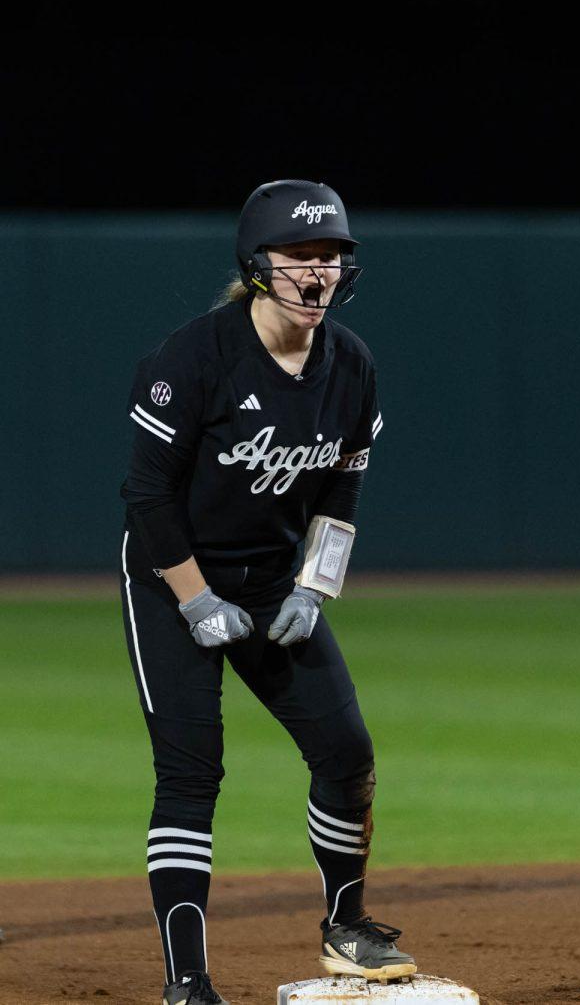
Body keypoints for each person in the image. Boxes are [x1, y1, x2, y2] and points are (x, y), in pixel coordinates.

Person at [119, 180, 414, 1005]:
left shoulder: (350, 364)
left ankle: (347, 926)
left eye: (331, 257)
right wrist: (194, 599)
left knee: (347, 755)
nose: (317, 274)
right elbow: (145, 501)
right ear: (256, 265)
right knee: (191, 772)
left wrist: (316, 585)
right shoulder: (195, 358)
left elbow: (343, 489)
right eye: (299, 258)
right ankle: (188, 981)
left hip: (275, 580)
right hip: (172, 575)